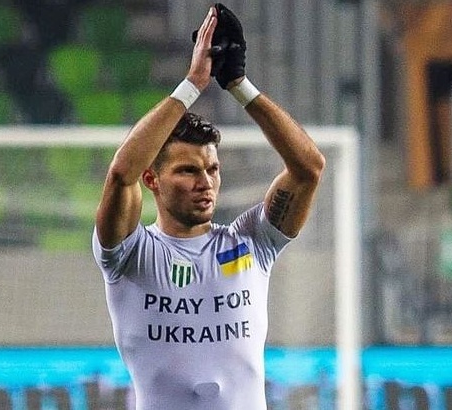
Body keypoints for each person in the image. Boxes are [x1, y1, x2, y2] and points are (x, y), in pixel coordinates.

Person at [92, 4, 325, 409]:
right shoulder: (131, 253)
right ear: (152, 180)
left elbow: (308, 169)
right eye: (187, 170)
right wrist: (191, 86)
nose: (205, 182)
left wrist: (239, 85)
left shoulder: (251, 242)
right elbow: (120, 174)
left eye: (212, 169)